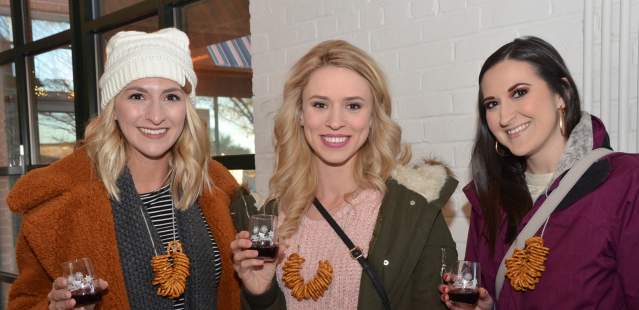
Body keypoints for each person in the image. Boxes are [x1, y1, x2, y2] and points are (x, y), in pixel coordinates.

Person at [7, 28, 241, 309]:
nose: (156, 116)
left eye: (171, 97)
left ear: (185, 109)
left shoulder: (216, 189)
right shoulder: (59, 205)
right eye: (137, 97)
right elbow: (25, 301)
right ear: (113, 108)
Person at [230, 40, 458, 310]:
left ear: (373, 117)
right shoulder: (272, 216)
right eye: (320, 104)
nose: (336, 121)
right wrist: (260, 293)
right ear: (300, 114)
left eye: (353, 106)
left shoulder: (414, 215)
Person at [440, 36, 639, 309]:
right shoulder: (489, 199)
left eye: (519, 92)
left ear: (561, 93)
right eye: (491, 104)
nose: (504, 117)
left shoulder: (627, 182)